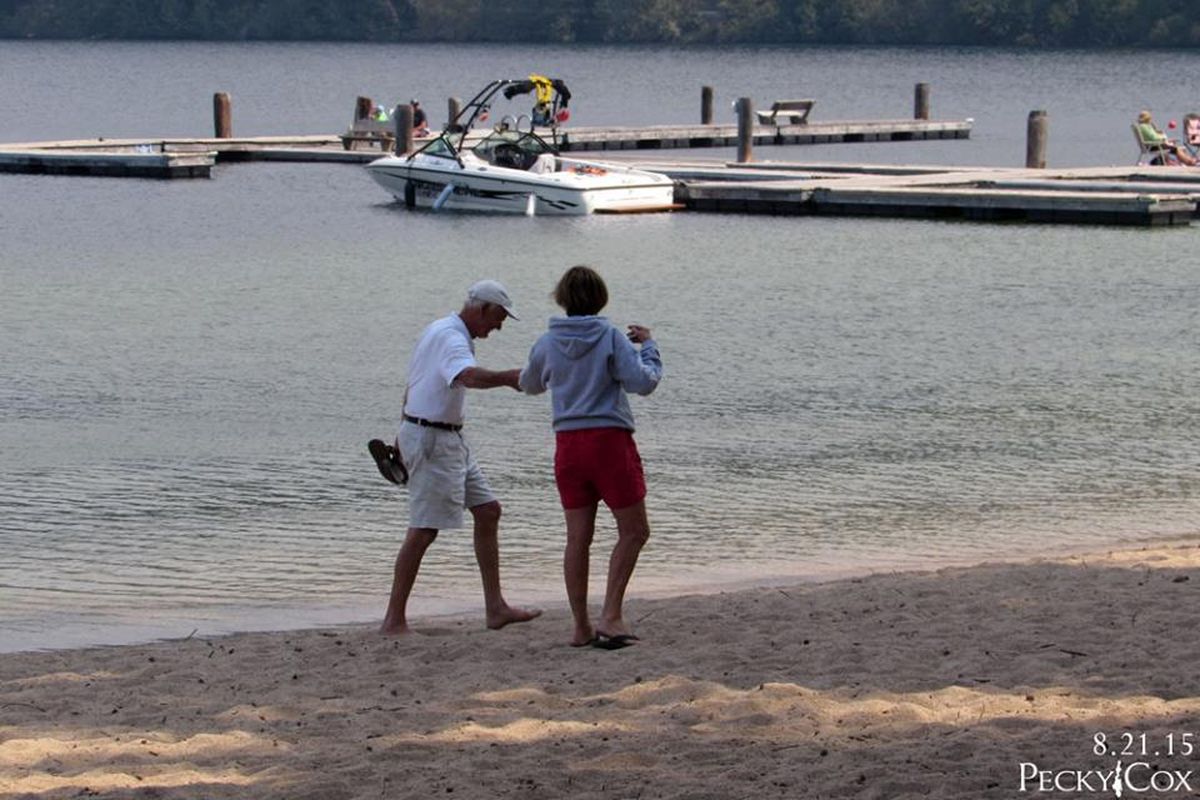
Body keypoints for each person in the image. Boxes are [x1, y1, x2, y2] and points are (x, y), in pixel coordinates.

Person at [380, 280, 541, 636]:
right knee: (423, 530)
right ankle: (394, 620)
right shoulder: (452, 338)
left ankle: (496, 607)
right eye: (497, 318)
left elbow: (414, 382)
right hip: (433, 442)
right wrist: (508, 378)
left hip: (442, 437)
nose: (498, 326)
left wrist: (403, 426)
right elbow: (466, 376)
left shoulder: (439, 329)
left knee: (488, 510)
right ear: (480, 309)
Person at [519, 266, 662, 650]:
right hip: (609, 441)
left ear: (562, 299)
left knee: (577, 539)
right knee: (634, 531)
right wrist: (648, 347)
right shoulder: (611, 337)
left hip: (568, 444)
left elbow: (530, 384)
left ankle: (580, 625)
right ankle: (611, 615)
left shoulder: (547, 342)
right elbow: (643, 383)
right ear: (601, 298)